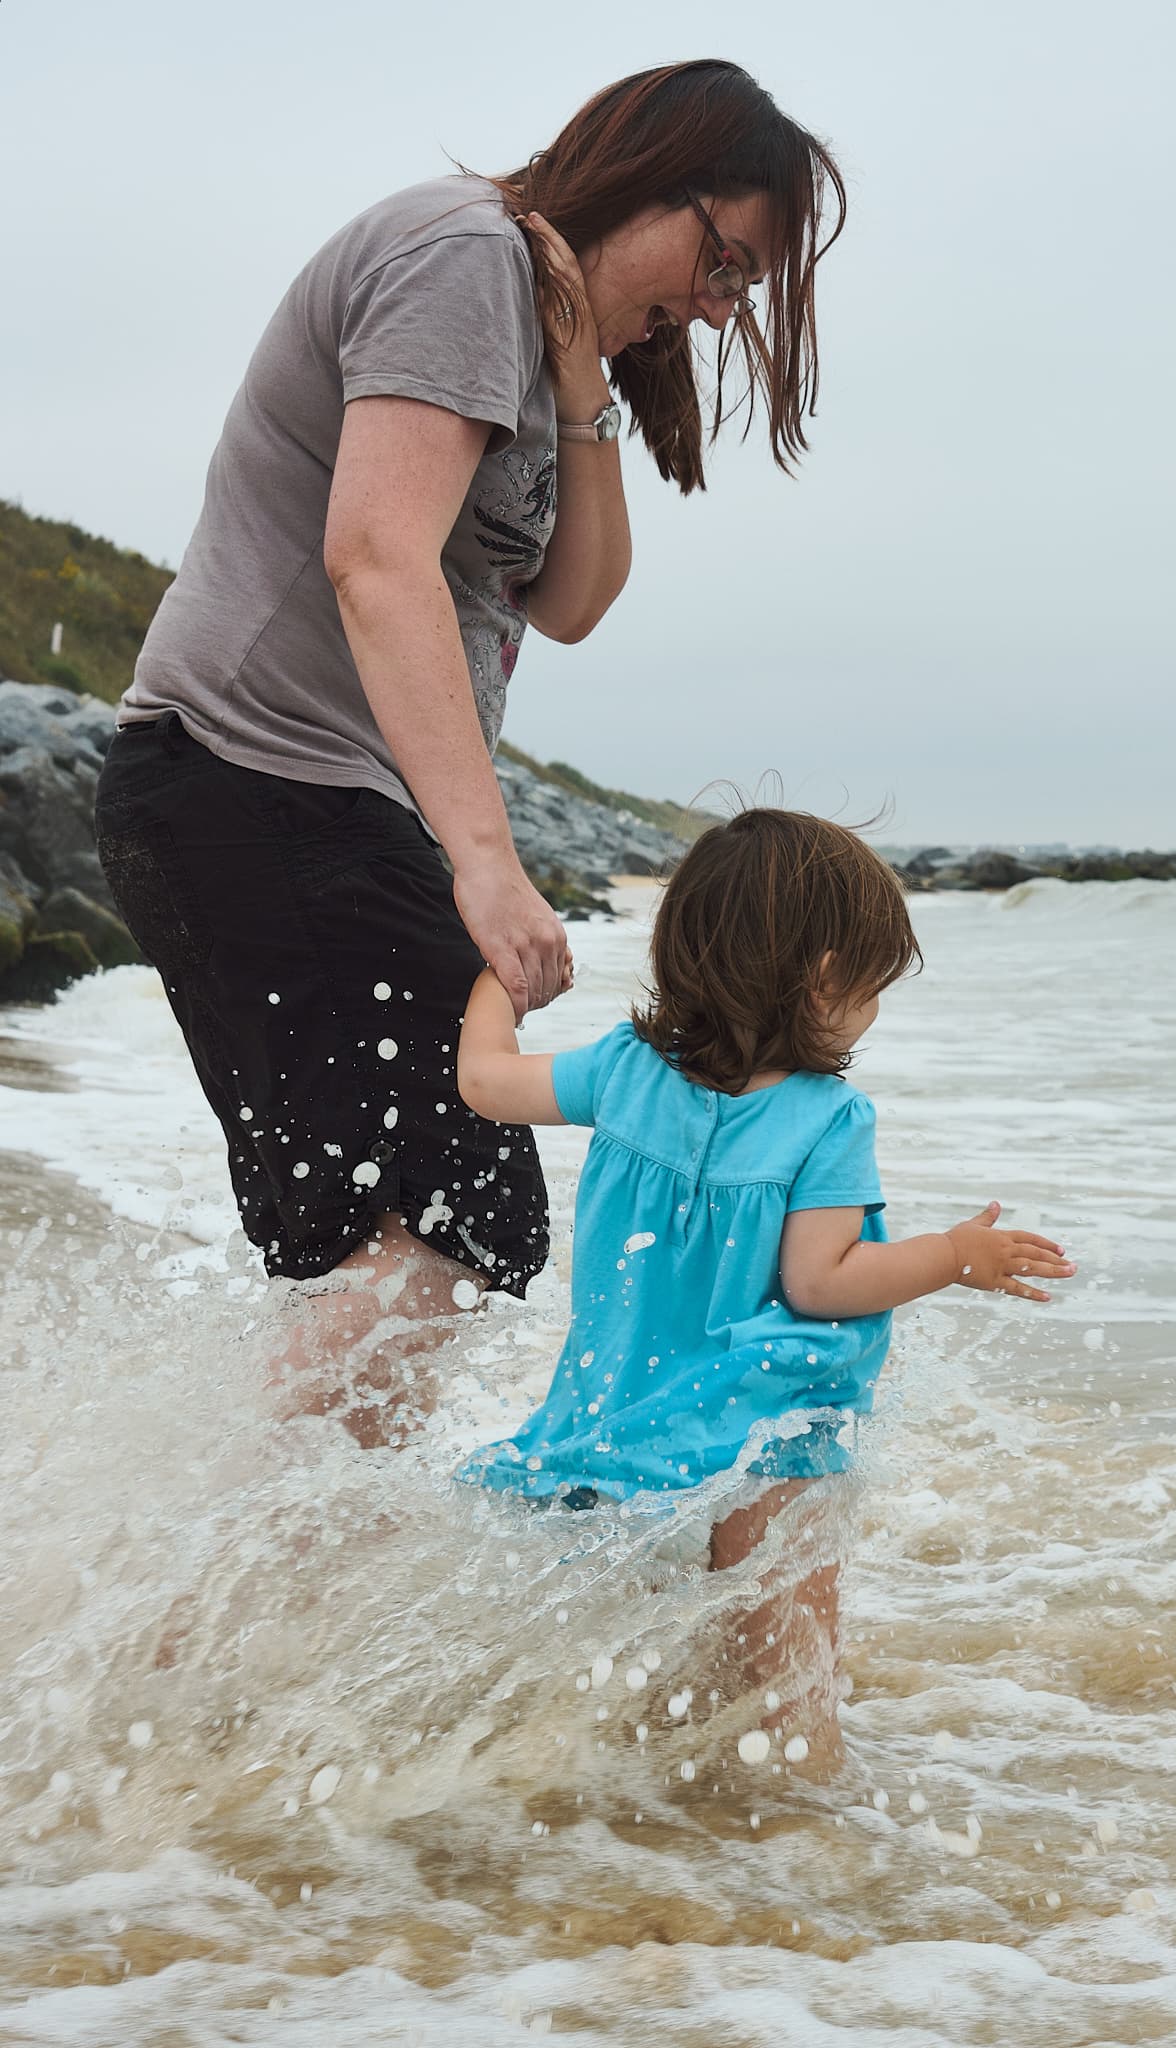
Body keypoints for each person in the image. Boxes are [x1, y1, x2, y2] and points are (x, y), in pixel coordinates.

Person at [91, 63, 847, 1444]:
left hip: (276, 804)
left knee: (372, 1240)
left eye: (740, 288)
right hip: (260, 781)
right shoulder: (463, 257)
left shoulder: (537, 327)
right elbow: (377, 557)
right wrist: (485, 868)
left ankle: (232, 1590)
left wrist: (582, 397)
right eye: (721, 259)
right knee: (460, 1207)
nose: (714, 306)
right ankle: (219, 1599)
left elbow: (572, 601)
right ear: (644, 170)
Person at [453, 809, 1077, 1753]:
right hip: (767, 1432)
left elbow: (484, 1083)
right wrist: (955, 1257)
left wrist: (498, 983)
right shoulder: (828, 1120)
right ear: (826, 979)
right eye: (874, 986)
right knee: (788, 1685)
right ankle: (800, 1832)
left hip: (625, 1416)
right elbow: (822, 1284)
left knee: (644, 1664)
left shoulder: (625, 1073)